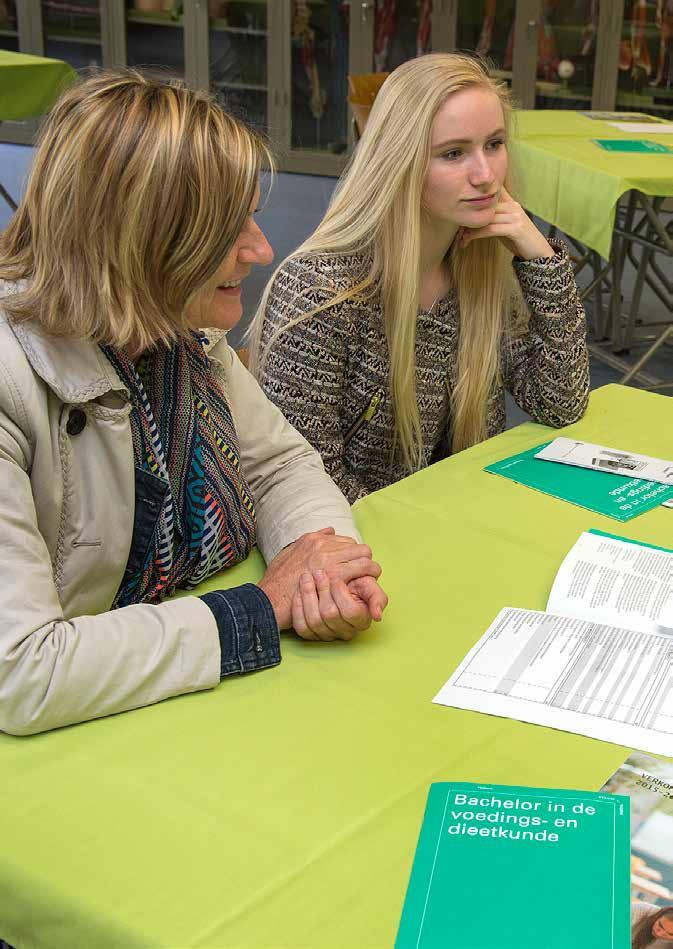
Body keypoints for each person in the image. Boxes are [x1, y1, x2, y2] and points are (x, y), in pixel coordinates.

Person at [0, 70, 388, 737]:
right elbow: (24, 671)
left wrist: (323, 563)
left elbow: (278, 467)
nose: (262, 247)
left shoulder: (178, 326)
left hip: (173, 700)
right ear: (136, 241)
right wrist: (258, 610)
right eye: (225, 226)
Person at [249, 53, 589, 504]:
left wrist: (540, 257)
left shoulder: (480, 269)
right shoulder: (321, 292)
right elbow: (305, 481)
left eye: (494, 144)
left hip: (450, 521)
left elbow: (560, 402)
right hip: (356, 546)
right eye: (453, 153)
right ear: (399, 162)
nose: (486, 176)